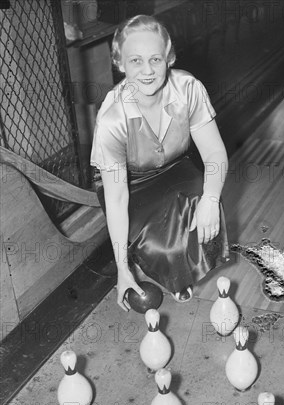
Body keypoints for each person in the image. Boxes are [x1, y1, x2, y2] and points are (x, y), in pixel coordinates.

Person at [90, 15, 229, 311]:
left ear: (169, 58)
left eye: (155, 59)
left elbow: (215, 154)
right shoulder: (112, 118)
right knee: (159, 246)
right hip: (130, 181)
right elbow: (117, 199)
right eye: (136, 61)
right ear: (120, 63)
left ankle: (175, 270)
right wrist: (122, 268)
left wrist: (211, 199)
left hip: (175, 167)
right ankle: (146, 260)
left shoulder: (188, 88)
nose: (148, 70)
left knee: (205, 214)